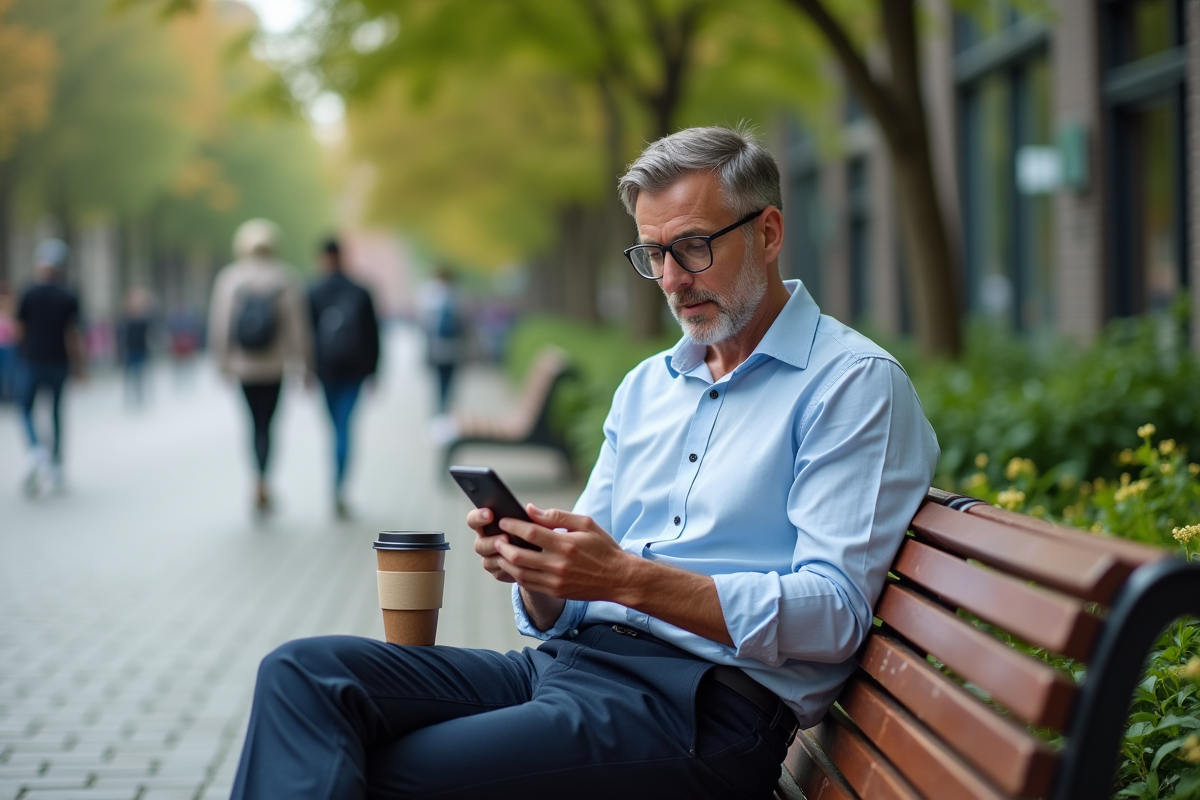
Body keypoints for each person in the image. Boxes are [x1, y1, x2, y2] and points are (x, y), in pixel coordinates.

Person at [229, 126, 940, 799]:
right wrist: (538, 568)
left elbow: (836, 613)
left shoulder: (850, 385)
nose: (670, 278)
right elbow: (561, 604)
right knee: (302, 676)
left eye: (693, 247)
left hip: (702, 712)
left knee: (384, 775)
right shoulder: (646, 387)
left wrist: (628, 579)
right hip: (567, 670)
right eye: (652, 254)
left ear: (769, 232)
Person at [207, 219, 314, 517]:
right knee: (269, 425)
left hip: (244, 367)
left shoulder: (229, 279)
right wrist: (305, 366)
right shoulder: (286, 279)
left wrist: (221, 363)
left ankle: (256, 479)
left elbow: (219, 326)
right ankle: (265, 480)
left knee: (252, 425)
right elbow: (298, 329)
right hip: (275, 367)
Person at [307, 237, 380, 519]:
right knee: (345, 426)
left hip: (326, 371)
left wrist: (306, 370)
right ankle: (340, 486)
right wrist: (375, 370)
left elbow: (307, 335)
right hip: (355, 371)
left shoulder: (314, 291)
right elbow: (374, 334)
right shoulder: (361, 291)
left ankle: (335, 484)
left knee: (334, 427)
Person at [14, 238, 86, 496]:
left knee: (25, 408)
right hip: (59, 362)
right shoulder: (68, 294)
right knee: (56, 412)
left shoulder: (28, 292)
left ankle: (36, 450)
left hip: (32, 360)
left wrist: (17, 357)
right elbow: (73, 335)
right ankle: (56, 466)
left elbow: (19, 330)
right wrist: (80, 366)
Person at [417, 266, 465, 415]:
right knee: (450, 379)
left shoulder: (429, 294)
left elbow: (423, 322)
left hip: (437, 346)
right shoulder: (457, 294)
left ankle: (440, 408)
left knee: (439, 379)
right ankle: (446, 407)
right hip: (453, 346)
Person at [118, 287, 154, 408]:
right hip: (130, 350)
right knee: (130, 375)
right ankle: (131, 397)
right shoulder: (126, 319)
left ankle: (140, 397)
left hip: (141, 350)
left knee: (140, 374)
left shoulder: (143, 320)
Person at [0, 281, 16, 403]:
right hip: (7, 342)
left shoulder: (11, 303)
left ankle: (8, 395)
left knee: (9, 371)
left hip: (9, 343)